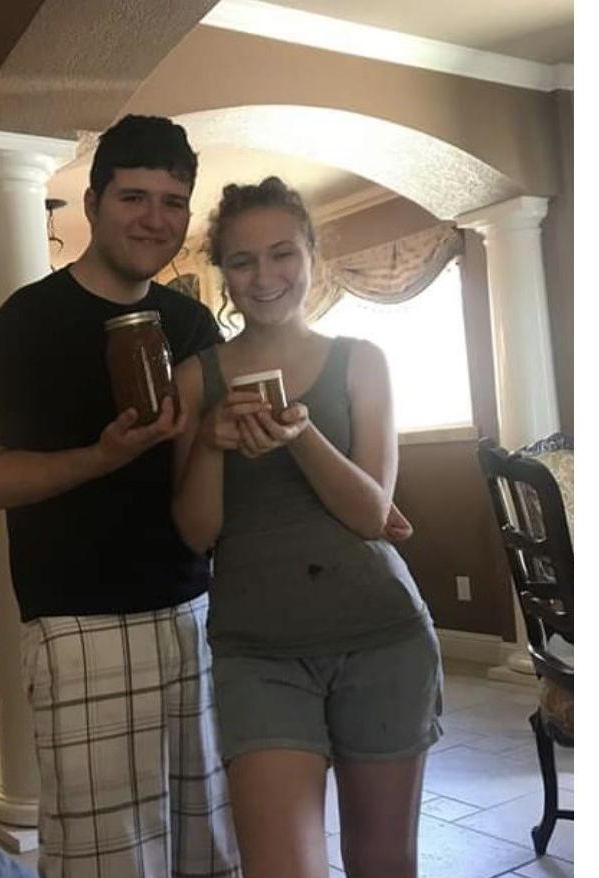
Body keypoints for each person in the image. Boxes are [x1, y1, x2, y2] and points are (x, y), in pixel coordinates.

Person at [0, 115, 241, 878]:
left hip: (194, 611)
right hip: (80, 621)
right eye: (134, 197)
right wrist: (100, 456)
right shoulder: (25, 325)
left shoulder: (190, 323)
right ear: (90, 203)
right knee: (107, 857)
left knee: (208, 842)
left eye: (174, 202)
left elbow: (210, 473)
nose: (156, 219)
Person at [171, 176, 443, 878]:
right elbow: (197, 534)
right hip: (258, 654)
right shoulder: (197, 379)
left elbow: (370, 515)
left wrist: (300, 433)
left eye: (282, 253)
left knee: (381, 863)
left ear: (313, 256)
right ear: (222, 272)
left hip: (383, 639)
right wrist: (208, 442)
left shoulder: (362, 361)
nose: (264, 277)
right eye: (242, 260)